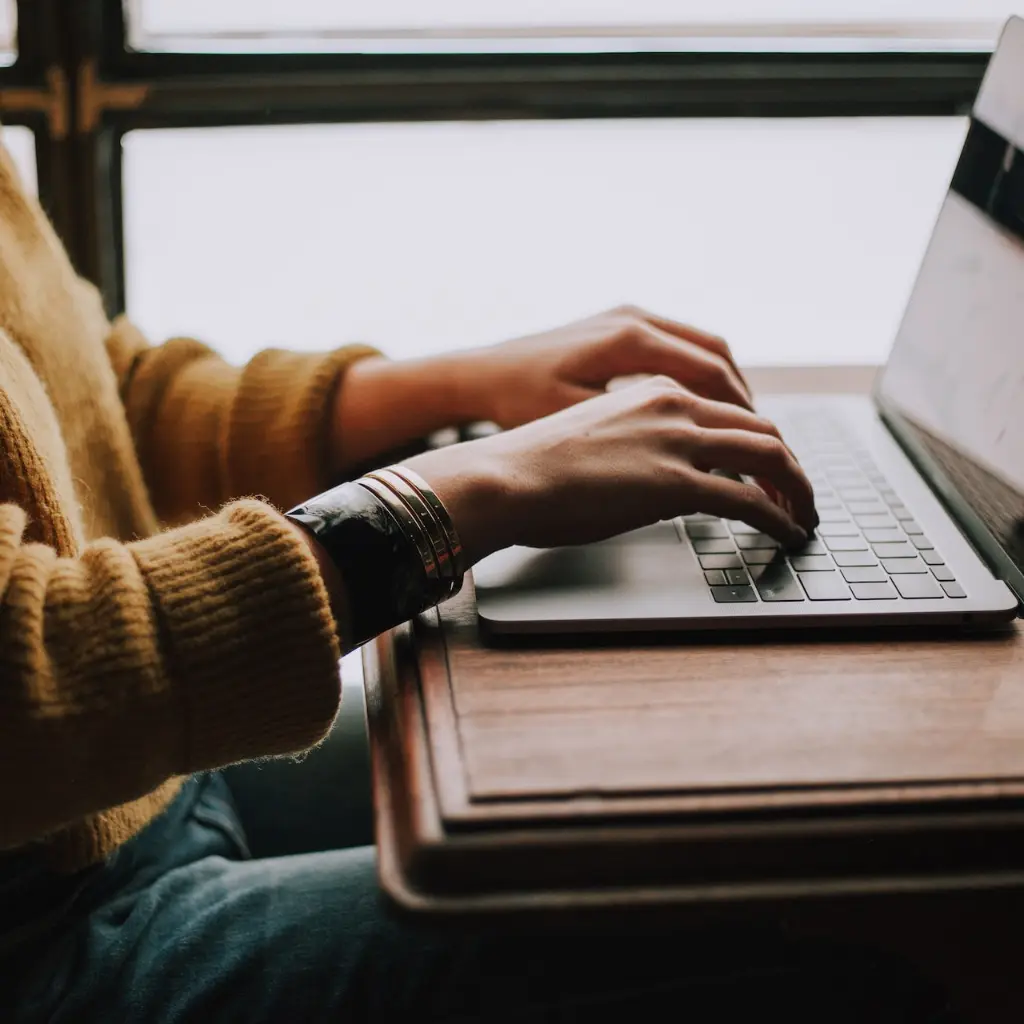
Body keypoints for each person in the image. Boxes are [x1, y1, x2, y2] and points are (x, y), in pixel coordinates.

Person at [0, 142, 952, 1024]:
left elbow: (102, 398)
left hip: (138, 788)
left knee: (699, 800)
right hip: (43, 937)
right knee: (797, 928)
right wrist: (464, 493)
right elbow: (26, 673)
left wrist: (463, 384)